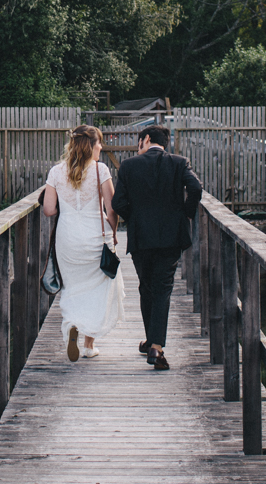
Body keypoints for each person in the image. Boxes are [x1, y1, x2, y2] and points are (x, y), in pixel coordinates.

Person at [111, 124, 202, 370]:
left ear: (146, 139)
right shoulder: (179, 162)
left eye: (138, 142)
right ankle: (155, 346)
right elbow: (196, 188)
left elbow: (117, 202)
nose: (136, 147)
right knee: (162, 288)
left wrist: (135, 218)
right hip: (171, 237)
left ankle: (152, 341)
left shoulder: (128, 166)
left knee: (146, 287)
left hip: (141, 238)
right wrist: (185, 214)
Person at [41, 124, 125, 362]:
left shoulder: (56, 172)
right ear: (90, 145)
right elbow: (112, 209)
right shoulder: (101, 171)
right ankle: (88, 345)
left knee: (72, 286)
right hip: (96, 239)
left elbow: (48, 210)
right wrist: (115, 233)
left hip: (67, 239)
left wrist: (64, 207)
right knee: (98, 288)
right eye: (99, 142)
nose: (101, 146)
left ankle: (72, 325)